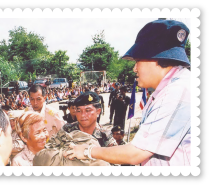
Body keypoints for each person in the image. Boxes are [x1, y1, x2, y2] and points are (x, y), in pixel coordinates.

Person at [63, 20, 191, 166]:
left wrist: (88, 151)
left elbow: (136, 153)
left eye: (137, 61)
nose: (134, 69)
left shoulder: (177, 92)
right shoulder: (168, 89)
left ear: (156, 58)